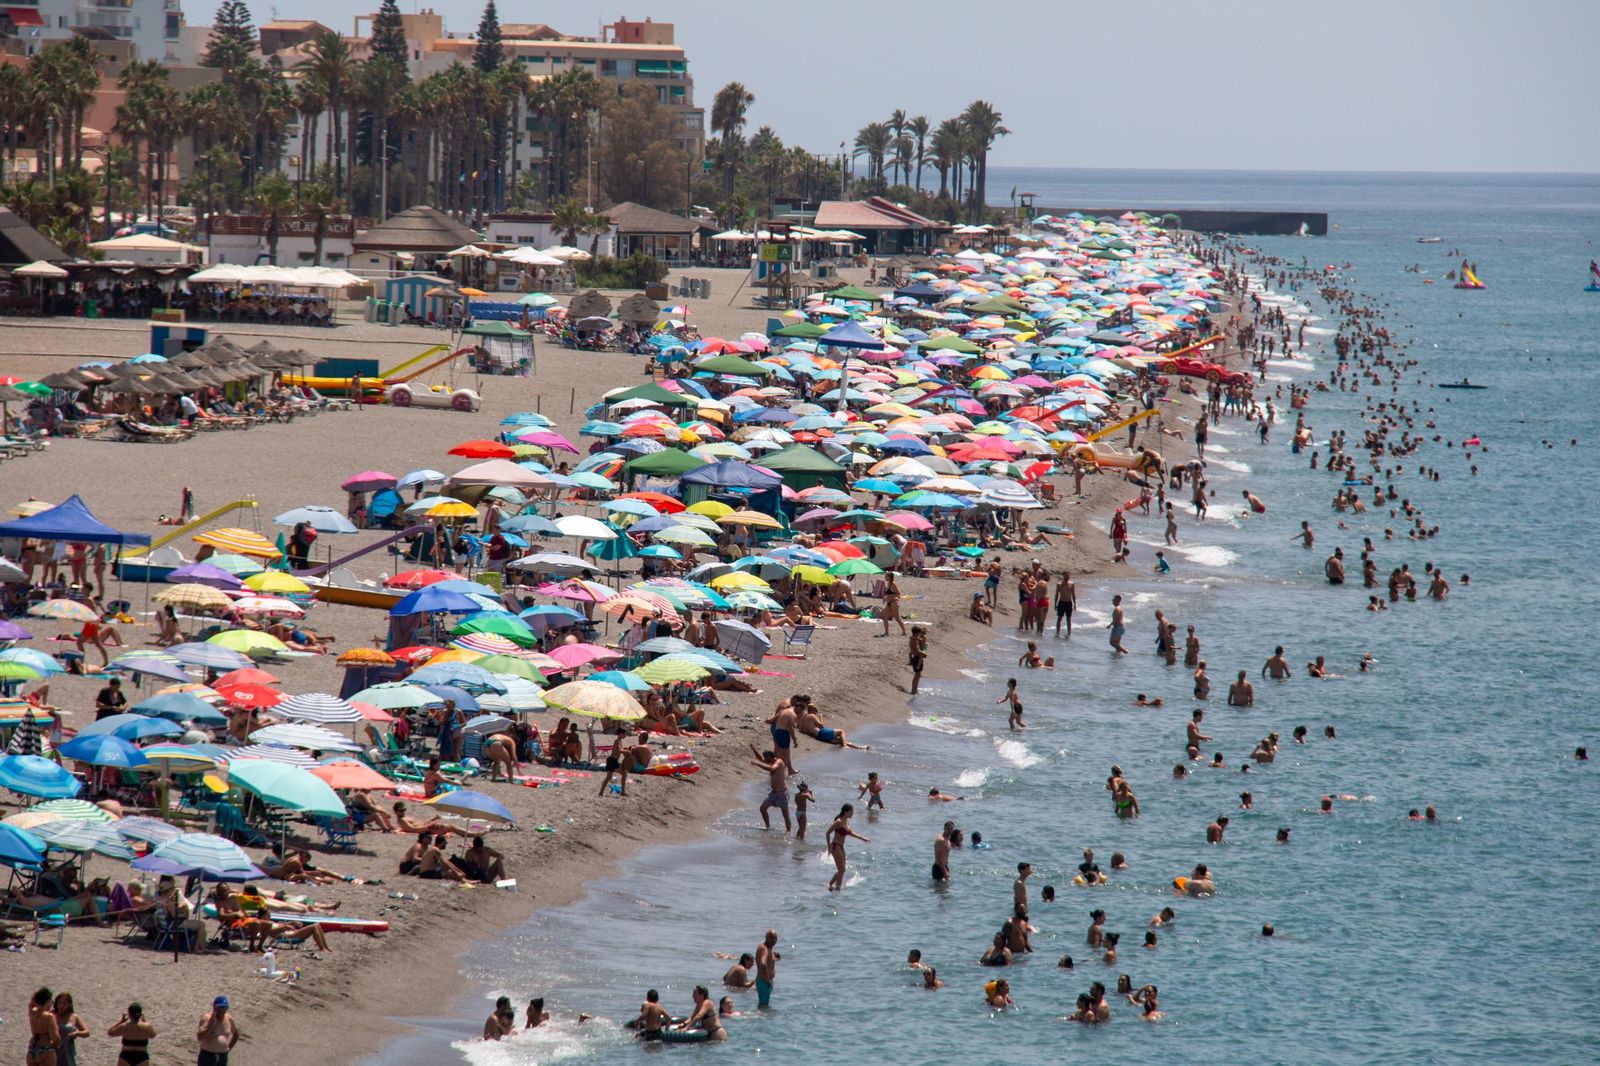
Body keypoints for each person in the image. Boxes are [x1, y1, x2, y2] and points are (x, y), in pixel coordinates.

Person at [826, 804, 869, 892]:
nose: (852, 814)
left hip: (841, 846)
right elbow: (827, 833)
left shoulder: (847, 821)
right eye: (851, 812)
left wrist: (862, 838)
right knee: (841, 870)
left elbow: (850, 832)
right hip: (835, 846)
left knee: (843, 870)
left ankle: (830, 884)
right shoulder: (838, 822)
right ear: (846, 812)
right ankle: (838, 889)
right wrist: (829, 847)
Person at [750, 745, 792, 832]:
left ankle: (788, 832)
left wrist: (757, 764)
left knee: (785, 815)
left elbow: (772, 769)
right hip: (773, 793)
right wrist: (754, 750)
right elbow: (761, 759)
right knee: (762, 808)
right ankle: (768, 827)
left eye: (767, 759)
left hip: (782, 793)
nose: (766, 761)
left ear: (772, 757)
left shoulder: (779, 762)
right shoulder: (770, 761)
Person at [196, 996, 238, 1066]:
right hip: (207, 1055)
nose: (221, 1010)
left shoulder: (229, 1018)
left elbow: (236, 1034)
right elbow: (200, 1037)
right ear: (214, 1007)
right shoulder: (207, 1018)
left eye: (223, 1008)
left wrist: (229, 1048)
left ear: (227, 1008)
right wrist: (211, 1025)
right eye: (219, 1007)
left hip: (222, 1055)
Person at [52, 992, 87, 1066]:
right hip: (52, 1049)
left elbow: (86, 1032)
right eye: (59, 1003)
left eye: (64, 1004)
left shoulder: (74, 1017)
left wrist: (77, 1033)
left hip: (67, 1050)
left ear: (69, 1004)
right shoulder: (51, 1015)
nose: (61, 1006)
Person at [29, 988, 60, 1066]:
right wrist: (56, 1045)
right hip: (45, 1049)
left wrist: (35, 997)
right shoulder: (49, 1016)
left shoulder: (32, 1012)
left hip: (32, 1048)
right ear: (48, 1001)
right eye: (51, 1002)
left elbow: (31, 1004)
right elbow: (55, 1038)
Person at [755, 929, 781, 1008]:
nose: (774, 940)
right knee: (764, 1006)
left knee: (764, 1005)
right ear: (766, 937)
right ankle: (761, 1019)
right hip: (764, 982)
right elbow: (763, 964)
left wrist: (775, 958)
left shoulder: (765, 947)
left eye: (775, 938)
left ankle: (762, 1019)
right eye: (771, 938)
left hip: (762, 981)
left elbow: (767, 961)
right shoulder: (765, 949)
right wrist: (768, 980)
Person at [908, 627, 928, 695]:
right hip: (916, 658)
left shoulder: (914, 639)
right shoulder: (914, 640)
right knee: (917, 675)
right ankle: (913, 690)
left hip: (916, 657)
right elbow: (916, 651)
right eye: (919, 633)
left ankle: (915, 690)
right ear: (917, 633)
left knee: (918, 675)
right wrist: (923, 653)